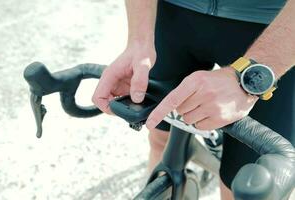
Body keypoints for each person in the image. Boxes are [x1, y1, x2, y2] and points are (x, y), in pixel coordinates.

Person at [92, 0, 295, 199]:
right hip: (174, 14)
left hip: (273, 26)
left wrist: (251, 76)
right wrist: (139, 39)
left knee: (248, 188)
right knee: (160, 141)